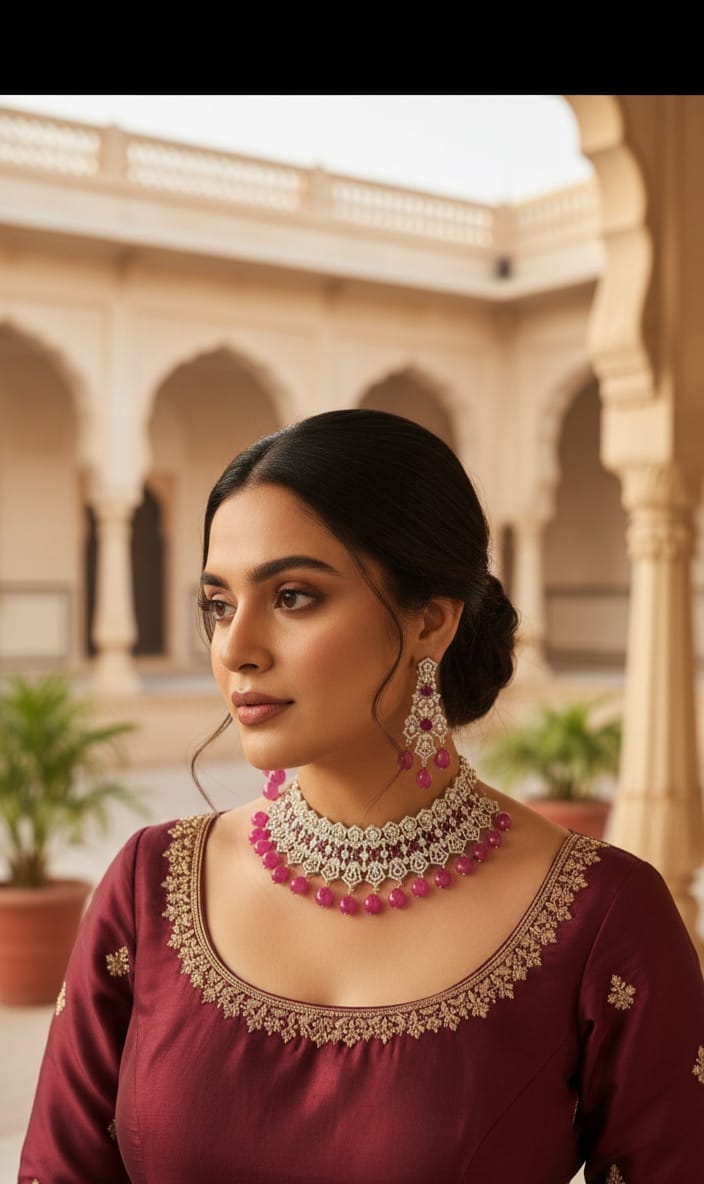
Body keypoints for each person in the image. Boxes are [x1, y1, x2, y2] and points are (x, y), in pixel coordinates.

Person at [19, 408, 704, 1183]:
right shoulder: (150, 886)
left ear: (430, 621)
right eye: (218, 605)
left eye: (293, 597)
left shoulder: (602, 914)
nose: (235, 648)